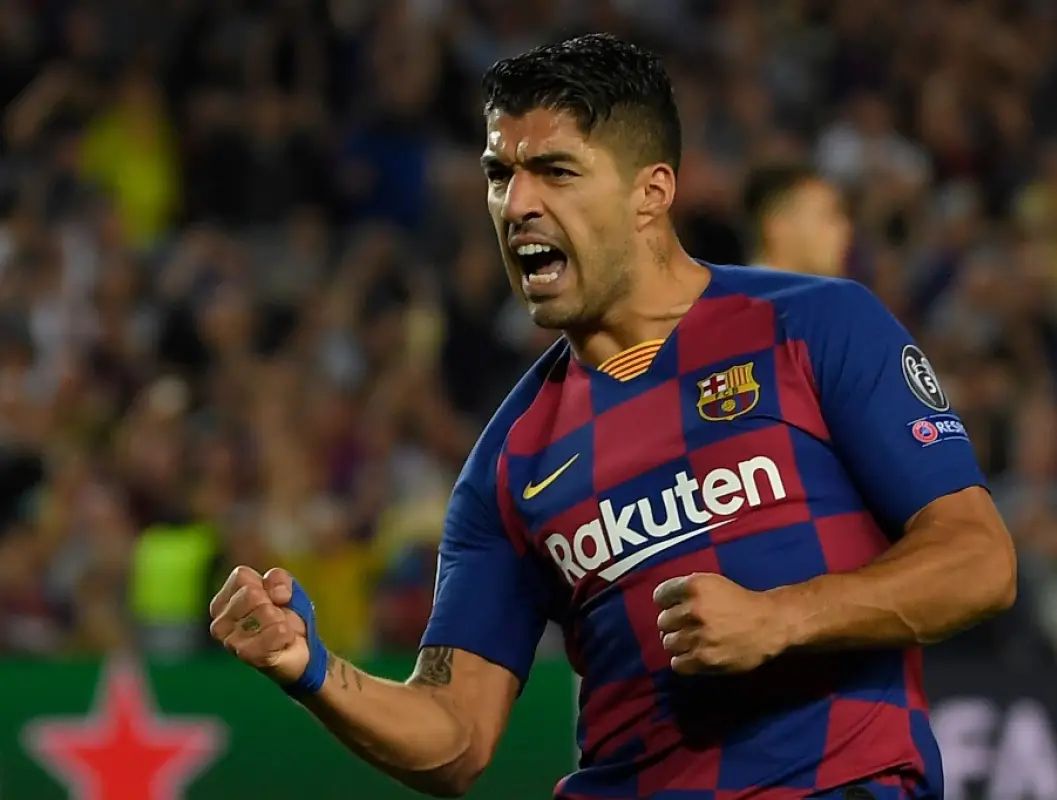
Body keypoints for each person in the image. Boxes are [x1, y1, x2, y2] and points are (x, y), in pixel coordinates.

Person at [208, 34, 1016, 800]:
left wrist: (782, 617)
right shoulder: (509, 462)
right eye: (500, 174)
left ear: (651, 193)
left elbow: (978, 560)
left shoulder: (816, 327)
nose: (516, 203)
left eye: (555, 171)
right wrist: (312, 669)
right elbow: (455, 734)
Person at [742, 162, 853, 277]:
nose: (845, 229)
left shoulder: (832, 293)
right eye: (828, 215)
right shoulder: (743, 293)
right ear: (779, 226)